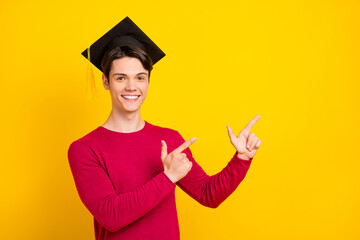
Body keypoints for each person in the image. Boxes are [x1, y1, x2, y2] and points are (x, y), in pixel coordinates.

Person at [68, 17, 262, 240]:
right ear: (105, 81)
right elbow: (112, 216)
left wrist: (242, 159)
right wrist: (167, 178)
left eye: (140, 78)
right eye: (121, 78)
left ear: (148, 82)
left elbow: (209, 195)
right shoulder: (85, 149)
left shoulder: (169, 139)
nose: (132, 87)